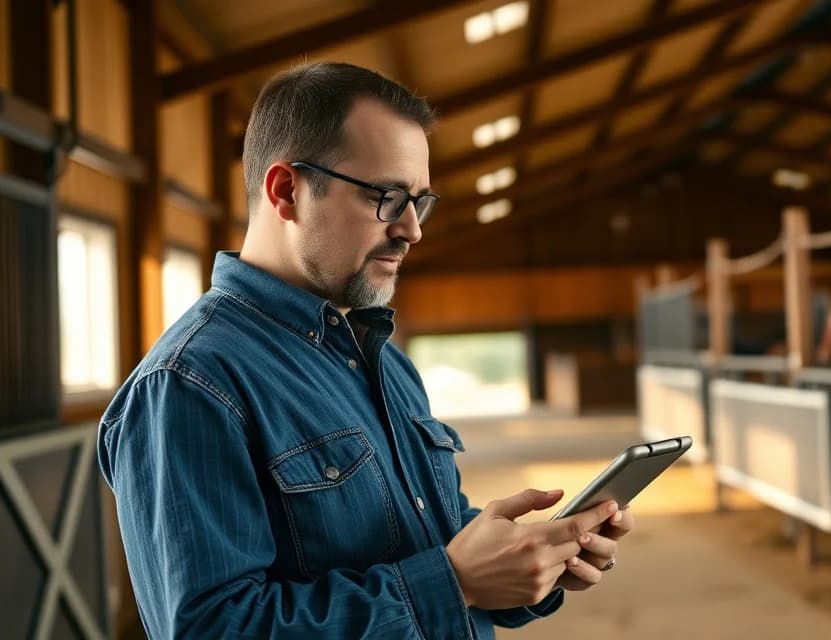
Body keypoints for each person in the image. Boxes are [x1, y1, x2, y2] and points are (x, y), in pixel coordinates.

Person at [98, 61, 633, 639]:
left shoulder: (382, 359)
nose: (412, 230)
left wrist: (535, 561)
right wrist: (453, 582)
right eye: (388, 197)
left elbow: (423, 544)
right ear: (287, 191)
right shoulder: (189, 384)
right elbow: (212, 630)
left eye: (420, 202)